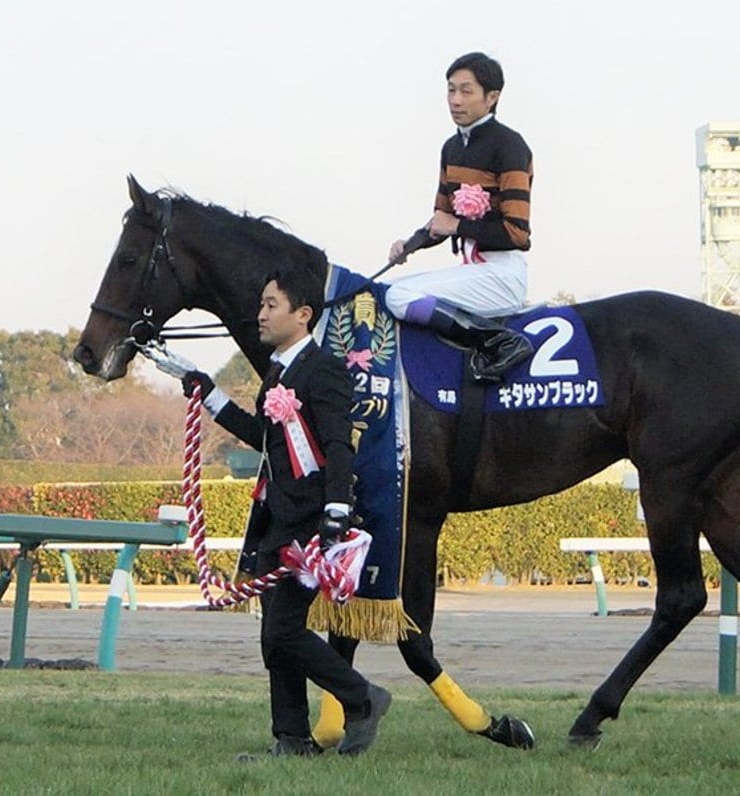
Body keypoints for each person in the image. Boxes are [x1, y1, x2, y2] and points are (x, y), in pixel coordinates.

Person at [181, 268, 390, 758]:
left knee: (283, 631)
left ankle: (363, 699)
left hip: (311, 526)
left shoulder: (324, 370)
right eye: (261, 303)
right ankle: (291, 739)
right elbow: (266, 441)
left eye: (271, 304)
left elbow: (339, 444)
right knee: (273, 639)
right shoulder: (277, 373)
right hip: (275, 521)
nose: (261, 313)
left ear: (303, 315)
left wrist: (337, 506)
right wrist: (209, 395)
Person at [385, 51, 535, 384]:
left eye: (466, 91)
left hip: (502, 274)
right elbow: (440, 221)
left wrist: (458, 226)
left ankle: (498, 341)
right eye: (451, 90)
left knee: (398, 297)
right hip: (471, 273)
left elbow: (517, 234)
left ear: (492, 97)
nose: (455, 100)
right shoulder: (450, 149)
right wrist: (408, 245)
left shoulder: (510, 146)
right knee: (387, 292)